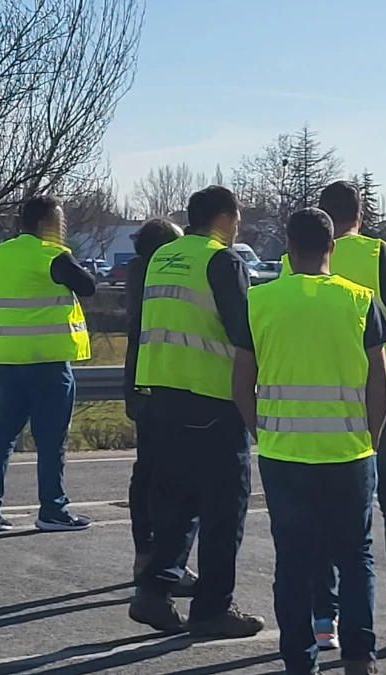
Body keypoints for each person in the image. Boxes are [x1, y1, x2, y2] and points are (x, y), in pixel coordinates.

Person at [234, 207, 386, 675]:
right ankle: (359, 659)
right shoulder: (360, 300)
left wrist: (262, 433)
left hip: (284, 456)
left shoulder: (258, 301)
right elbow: (378, 386)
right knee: (355, 556)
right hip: (348, 453)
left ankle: (299, 661)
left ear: (288, 245)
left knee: (294, 563)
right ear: (332, 248)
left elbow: (241, 387)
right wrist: (373, 440)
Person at [282, 180, 386, 649]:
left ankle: (325, 619)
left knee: (323, 512)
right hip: (377, 393)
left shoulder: (292, 260)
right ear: (359, 216)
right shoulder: (375, 253)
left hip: (317, 403)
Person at [127, 186, 264, 638]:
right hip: (211, 399)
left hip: (159, 397)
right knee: (225, 509)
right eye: (237, 218)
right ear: (225, 217)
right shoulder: (221, 260)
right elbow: (244, 331)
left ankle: (154, 591)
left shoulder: (161, 259)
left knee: (174, 504)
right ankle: (212, 609)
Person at [0, 195, 95, 533]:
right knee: (52, 439)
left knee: (3, 435)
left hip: (8, 360)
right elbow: (89, 287)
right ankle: (52, 510)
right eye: (60, 222)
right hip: (48, 361)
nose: (63, 228)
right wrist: (65, 254)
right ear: (45, 224)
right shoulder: (51, 256)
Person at [122, 217, 198, 592]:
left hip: (140, 381)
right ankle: (165, 562)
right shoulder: (162, 277)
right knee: (174, 479)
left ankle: (145, 554)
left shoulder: (138, 274)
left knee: (147, 473)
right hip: (168, 382)